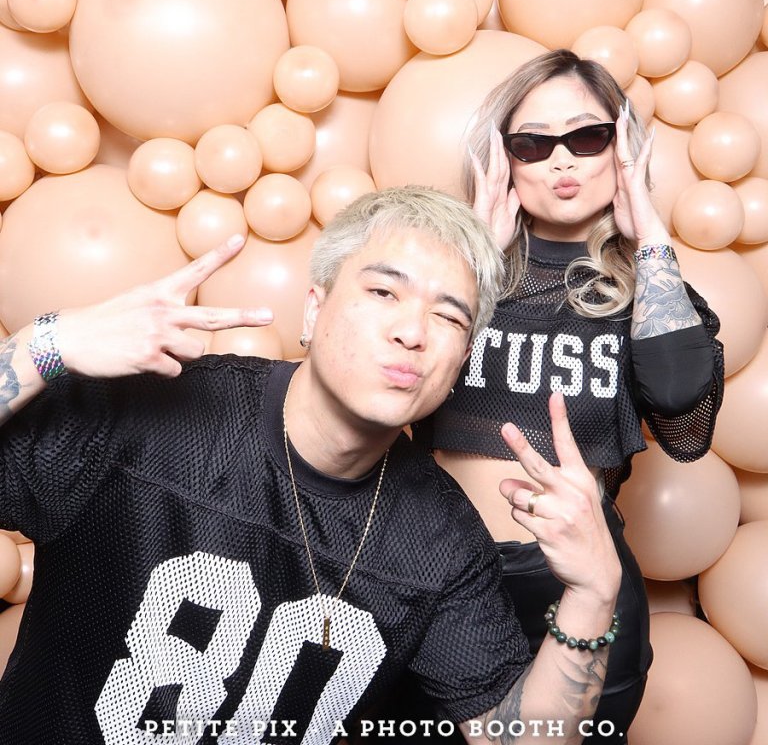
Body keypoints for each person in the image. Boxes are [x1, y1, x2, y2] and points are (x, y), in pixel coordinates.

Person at [0, 186, 622, 745]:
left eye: (448, 316)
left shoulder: (443, 542)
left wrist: (594, 593)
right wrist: (44, 346)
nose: (413, 332)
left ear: (461, 362)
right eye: (383, 292)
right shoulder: (148, 414)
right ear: (313, 310)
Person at [414, 51, 724, 743]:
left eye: (587, 137)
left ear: (622, 151)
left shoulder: (649, 292)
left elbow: (684, 417)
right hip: (439, 578)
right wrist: (473, 260)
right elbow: (384, 399)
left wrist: (650, 234)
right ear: (505, 160)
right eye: (533, 143)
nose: (561, 160)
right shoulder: (450, 276)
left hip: (579, 588)